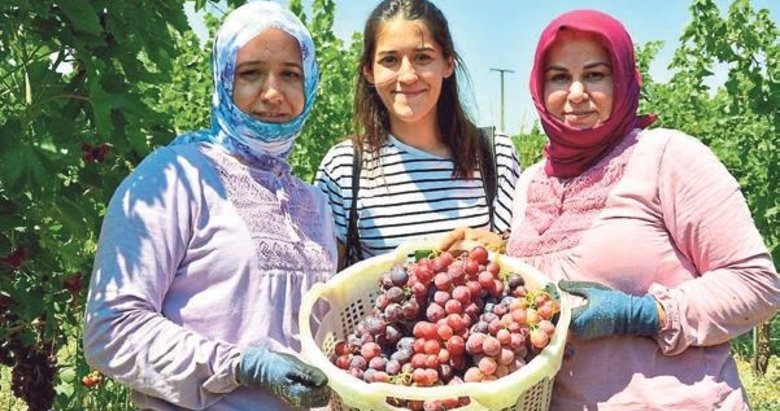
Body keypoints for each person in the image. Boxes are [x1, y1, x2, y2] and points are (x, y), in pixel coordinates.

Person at [502, 9, 779, 410]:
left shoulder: (666, 156)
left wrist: (643, 314)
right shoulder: (530, 183)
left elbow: (757, 284)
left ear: (624, 80)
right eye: (559, 77)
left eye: (595, 75)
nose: (576, 93)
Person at [83, 2, 336, 410]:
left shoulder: (315, 205)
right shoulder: (173, 178)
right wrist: (242, 366)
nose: (273, 92)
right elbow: (111, 330)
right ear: (223, 80)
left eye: (290, 74)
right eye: (250, 73)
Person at [315, 0, 521, 267]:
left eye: (422, 57)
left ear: (447, 64)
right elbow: (326, 282)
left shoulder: (495, 155)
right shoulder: (343, 168)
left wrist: (499, 248)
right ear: (368, 70)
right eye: (389, 60)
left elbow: (523, 268)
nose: (408, 75)